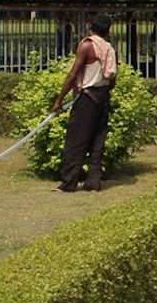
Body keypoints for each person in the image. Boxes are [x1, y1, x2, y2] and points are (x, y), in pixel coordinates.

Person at [51, 14, 119, 192]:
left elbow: (72, 74)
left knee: (76, 141)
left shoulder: (88, 45)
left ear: (91, 27)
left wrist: (59, 101)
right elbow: (112, 80)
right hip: (103, 96)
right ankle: (93, 183)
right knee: (97, 141)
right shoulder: (109, 49)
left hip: (87, 98)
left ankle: (68, 183)